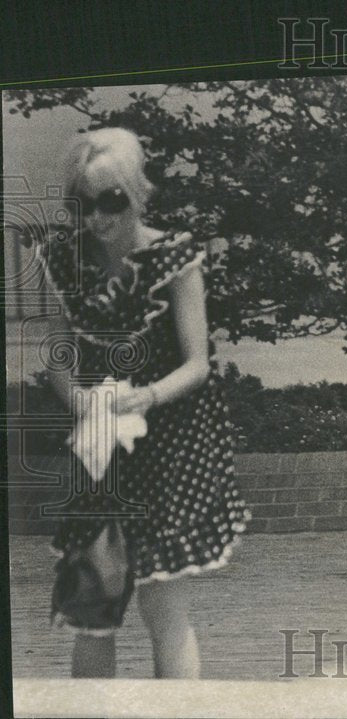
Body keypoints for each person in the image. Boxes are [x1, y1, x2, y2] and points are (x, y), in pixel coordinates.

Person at [41, 128, 249, 677]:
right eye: (82, 205)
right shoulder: (66, 262)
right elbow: (57, 358)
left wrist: (147, 396)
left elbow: (197, 363)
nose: (97, 219)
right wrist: (77, 399)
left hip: (172, 439)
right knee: (93, 605)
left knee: (163, 606)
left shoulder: (175, 257)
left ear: (137, 192)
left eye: (112, 201)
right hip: (102, 444)